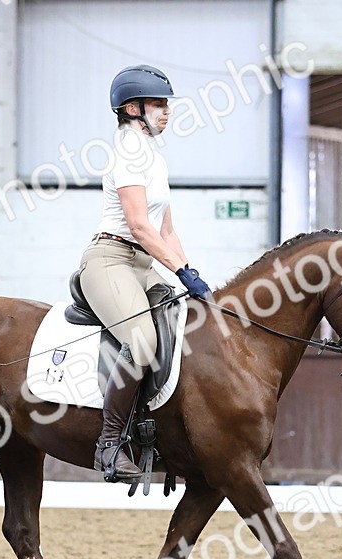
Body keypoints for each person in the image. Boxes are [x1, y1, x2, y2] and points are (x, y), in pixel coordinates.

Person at [80, 64, 213, 482]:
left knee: (189, 325)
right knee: (141, 342)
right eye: (158, 104)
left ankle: (157, 429)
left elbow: (166, 231)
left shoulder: (154, 158)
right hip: (110, 260)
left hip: (143, 265)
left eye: (166, 105)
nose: (167, 111)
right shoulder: (127, 152)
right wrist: (180, 270)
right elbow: (139, 226)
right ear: (132, 108)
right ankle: (109, 445)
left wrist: (193, 277)